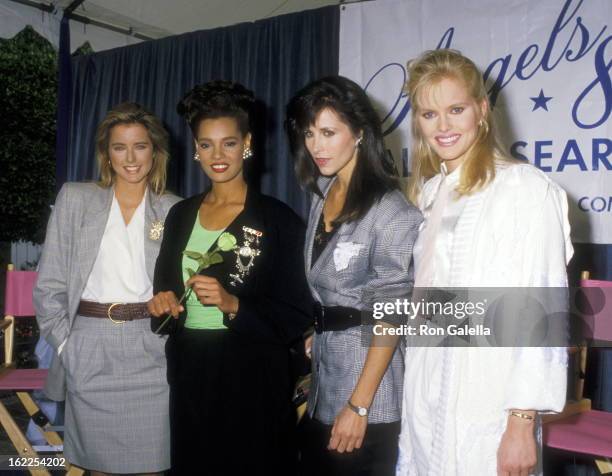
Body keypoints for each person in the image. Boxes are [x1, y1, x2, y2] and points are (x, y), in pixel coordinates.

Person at [397, 49, 572, 476]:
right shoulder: (429, 192)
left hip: (490, 401)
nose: (443, 126)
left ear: (481, 109)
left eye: (456, 109)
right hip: (426, 394)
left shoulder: (526, 189)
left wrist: (521, 422)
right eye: (428, 113)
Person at [148, 80, 313, 475]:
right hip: (191, 373)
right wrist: (162, 304)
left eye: (228, 143)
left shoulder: (277, 219)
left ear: (248, 143)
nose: (217, 155)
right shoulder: (180, 215)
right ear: (195, 150)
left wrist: (234, 304)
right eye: (206, 144)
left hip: (253, 376)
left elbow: (298, 312)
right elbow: (164, 294)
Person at [34, 102, 180, 475]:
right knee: (98, 469)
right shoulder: (76, 199)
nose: (130, 157)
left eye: (140, 146)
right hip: (89, 345)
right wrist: (68, 347)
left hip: (152, 350)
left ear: (155, 151)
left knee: (153, 467)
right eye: (119, 147)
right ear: (106, 154)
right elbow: (48, 286)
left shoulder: (175, 209)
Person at [285, 76, 422, 476]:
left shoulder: (392, 211)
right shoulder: (322, 192)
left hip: (369, 397)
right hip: (324, 385)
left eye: (329, 132)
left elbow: (391, 313)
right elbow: (334, 286)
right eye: (309, 133)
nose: (316, 146)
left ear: (360, 133)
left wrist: (359, 405)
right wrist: (322, 327)